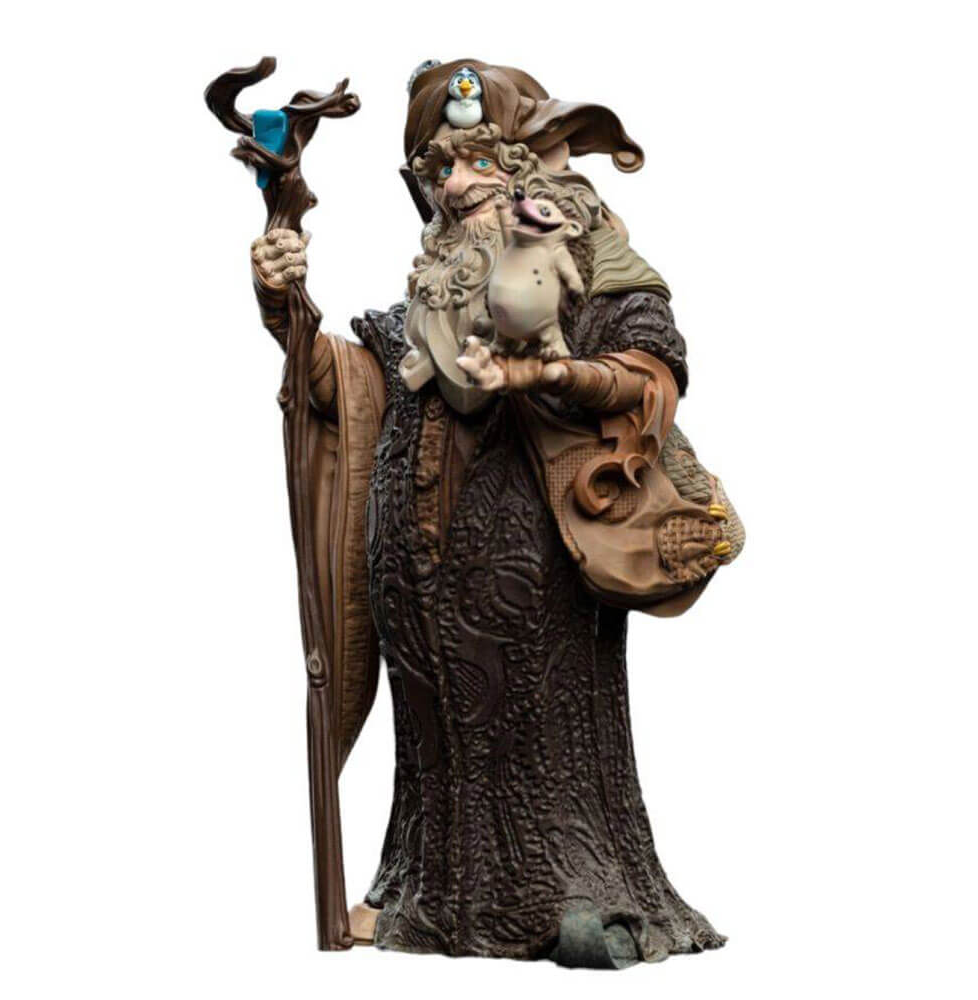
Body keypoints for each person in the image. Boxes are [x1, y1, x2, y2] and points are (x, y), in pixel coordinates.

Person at [249, 59, 730, 968]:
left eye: (477, 160)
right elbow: (340, 389)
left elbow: (650, 371)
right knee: (433, 741)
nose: (455, 184)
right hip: (421, 586)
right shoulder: (420, 312)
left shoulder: (587, 273)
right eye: (436, 168)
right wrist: (285, 303)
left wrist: (548, 371)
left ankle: (579, 895)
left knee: (542, 732)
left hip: (537, 567)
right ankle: (421, 897)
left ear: (527, 168)